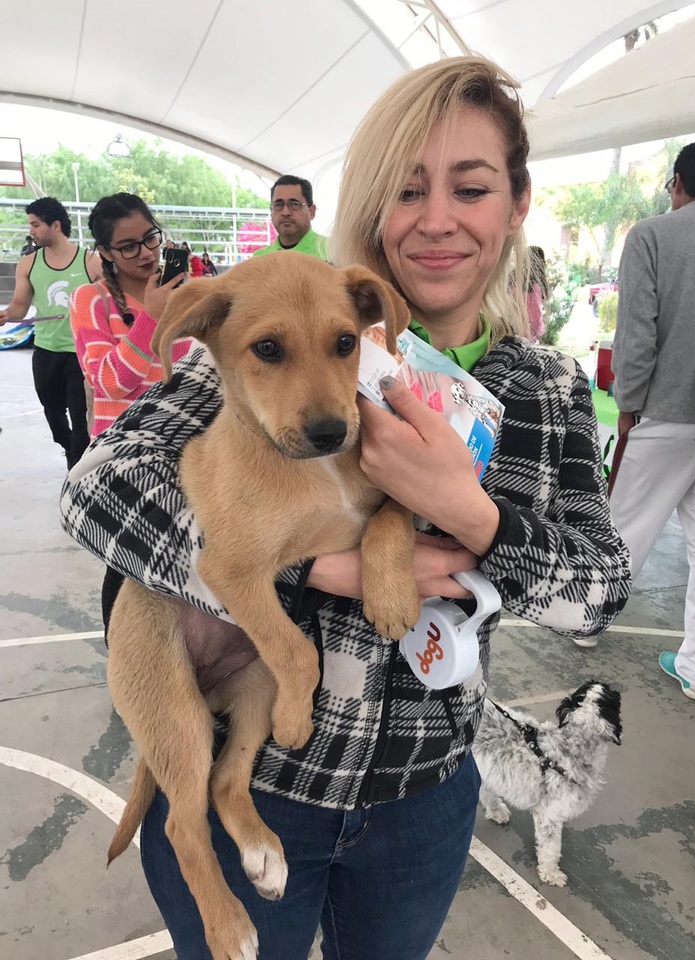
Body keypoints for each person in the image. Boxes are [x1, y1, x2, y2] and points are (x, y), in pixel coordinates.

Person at [61, 56, 631, 960]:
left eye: (471, 188)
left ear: (516, 204)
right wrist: (314, 564)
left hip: (424, 795)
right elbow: (95, 488)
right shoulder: (277, 338)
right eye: (408, 189)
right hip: (273, 773)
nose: (438, 218)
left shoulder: (547, 387)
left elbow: (600, 593)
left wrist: (469, 514)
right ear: (371, 201)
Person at [610, 140, 695, 703]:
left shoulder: (653, 235)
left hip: (666, 408)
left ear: (678, 182)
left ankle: (589, 619)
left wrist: (627, 405)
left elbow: (637, 333)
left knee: (624, 525)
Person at [69, 192, 192, 630]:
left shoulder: (182, 291)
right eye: (128, 246)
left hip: (183, 451)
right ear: (104, 252)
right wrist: (152, 319)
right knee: (125, 567)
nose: (146, 252)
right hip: (121, 460)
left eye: (150, 238)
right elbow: (109, 381)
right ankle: (130, 685)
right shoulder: (91, 300)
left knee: (181, 568)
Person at [0, 197, 102, 470]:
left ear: (55, 225)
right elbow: (20, 307)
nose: (31, 230)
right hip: (46, 351)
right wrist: (7, 315)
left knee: (81, 419)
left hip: (80, 354)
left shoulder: (90, 261)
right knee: (53, 413)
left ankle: (76, 471)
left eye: (36, 224)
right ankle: (69, 448)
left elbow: (108, 301)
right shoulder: (29, 264)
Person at [252, 174, 329, 259]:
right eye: (278, 205)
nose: (285, 212)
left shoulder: (332, 252)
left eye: (294, 204)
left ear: (311, 211)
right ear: (271, 211)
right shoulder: (259, 260)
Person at [525, 245, 549, 340]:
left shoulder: (511, 279)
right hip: (525, 336)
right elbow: (535, 317)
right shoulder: (534, 285)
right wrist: (540, 330)